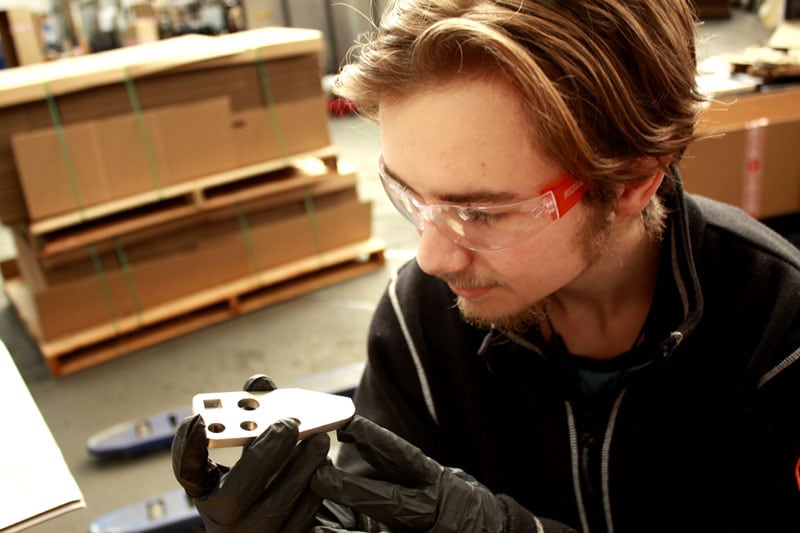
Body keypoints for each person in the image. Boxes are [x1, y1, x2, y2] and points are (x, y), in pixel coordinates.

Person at [171, 0, 800, 531]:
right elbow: (383, 497)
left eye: (483, 213)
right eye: (410, 195)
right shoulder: (420, 314)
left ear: (635, 181)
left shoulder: (778, 334)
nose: (431, 256)